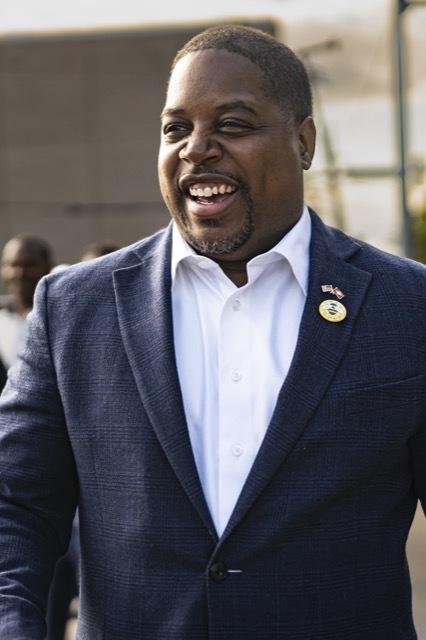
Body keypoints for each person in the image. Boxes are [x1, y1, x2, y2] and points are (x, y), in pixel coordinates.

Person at [0, 24, 425, 640]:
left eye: (232, 124)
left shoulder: (406, 307)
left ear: (303, 142)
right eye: (176, 128)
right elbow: (15, 508)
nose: (197, 149)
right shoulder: (73, 309)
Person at [0, 233, 53, 391]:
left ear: (48, 268)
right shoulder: (2, 319)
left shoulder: (58, 321)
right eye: (13, 265)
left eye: (29, 265)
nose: (19, 273)